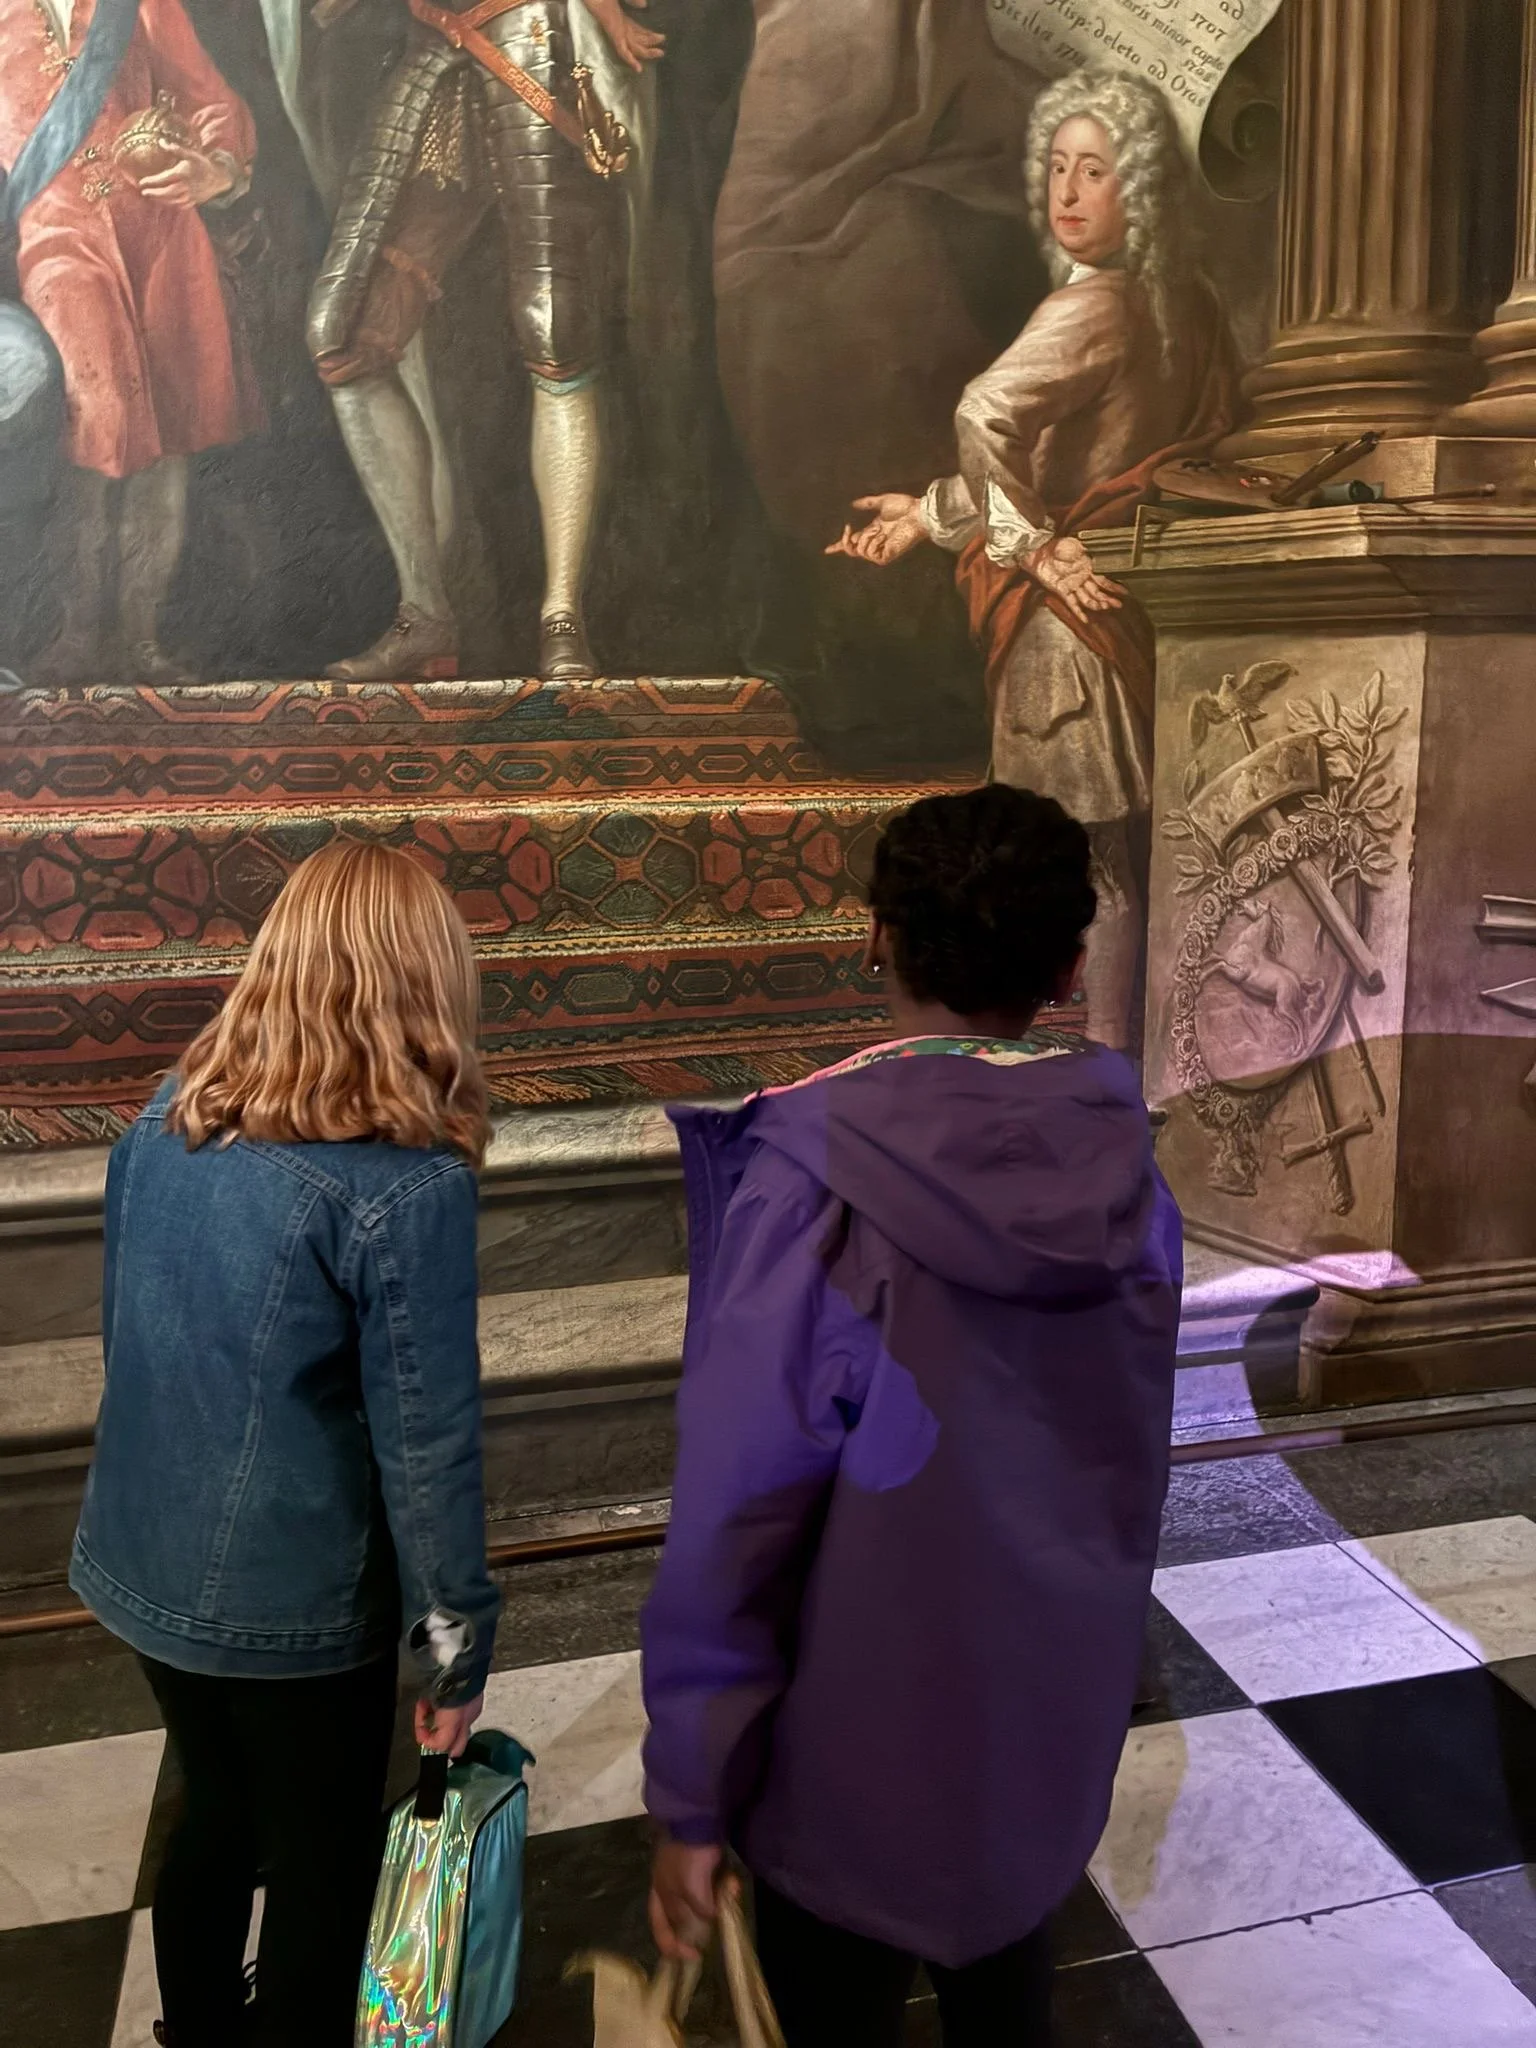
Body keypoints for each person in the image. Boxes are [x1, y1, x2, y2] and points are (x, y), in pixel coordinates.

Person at [641, 784, 1182, 2047]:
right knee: (1011, 1991)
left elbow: (738, 1507)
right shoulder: (1122, 1163)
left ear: (875, 934)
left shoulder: (812, 1176)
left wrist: (693, 1790)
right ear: (1070, 960)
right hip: (1041, 1722)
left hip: (852, 1750)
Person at [69, 840, 498, 2048]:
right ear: (427, 979)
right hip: (291, 1599)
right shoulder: (406, 1186)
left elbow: (129, 1336)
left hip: (138, 1558)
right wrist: (453, 1653)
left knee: (216, 1808)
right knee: (321, 1865)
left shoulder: (171, 1111)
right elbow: (431, 1446)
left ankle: (199, 2025)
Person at [830, 69, 1240, 1052]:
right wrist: (932, 515)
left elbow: (986, 414)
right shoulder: (1191, 307)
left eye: (1093, 171)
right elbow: (1085, 463)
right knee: (1121, 869)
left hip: (1068, 633)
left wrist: (1035, 548)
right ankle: (1118, 1077)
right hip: (1132, 611)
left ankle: (1088, 1077)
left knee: (1078, 873)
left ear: (1137, 188)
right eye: (1057, 168)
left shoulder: (1093, 303)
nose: (1066, 193)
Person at [305, 0, 662, 683]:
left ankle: (562, 617)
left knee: (555, 328)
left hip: (536, 44)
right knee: (346, 333)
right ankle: (425, 613)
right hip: (439, 51)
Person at [1, 0, 264, 685]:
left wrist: (219, 172)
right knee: (92, 433)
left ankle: (143, 637)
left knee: (164, 447)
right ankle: (78, 632)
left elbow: (211, 101)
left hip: (162, 239)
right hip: (56, 243)